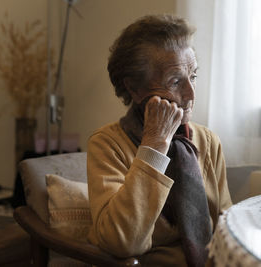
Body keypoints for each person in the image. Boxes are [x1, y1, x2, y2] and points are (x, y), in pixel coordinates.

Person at [87, 14, 232, 267]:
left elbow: (226, 223)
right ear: (134, 89)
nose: (190, 94)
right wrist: (154, 145)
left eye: (194, 76)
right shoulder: (107, 145)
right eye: (175, 81)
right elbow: (121, 242)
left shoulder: (207, 141)